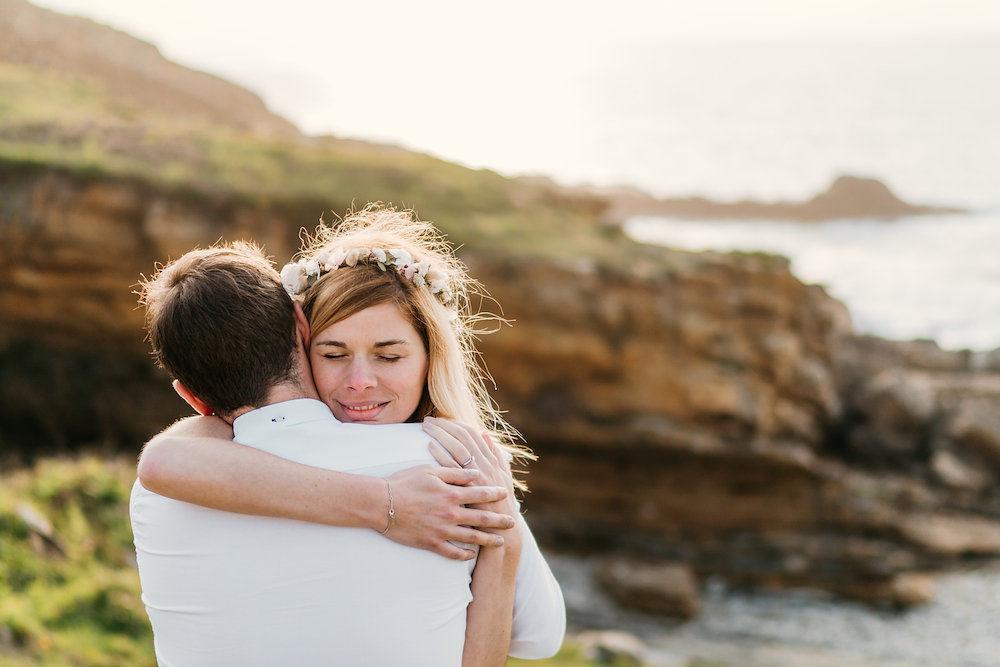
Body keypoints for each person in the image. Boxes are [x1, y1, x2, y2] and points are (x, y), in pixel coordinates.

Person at [132, 208, 565, 665]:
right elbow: (539, 638)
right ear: (301, 331)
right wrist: (488, 525)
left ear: (190, 397)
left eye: (388, 356)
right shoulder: (457, 468)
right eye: (335, 353)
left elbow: (163, 460)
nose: (359, 381)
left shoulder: (161, 491)